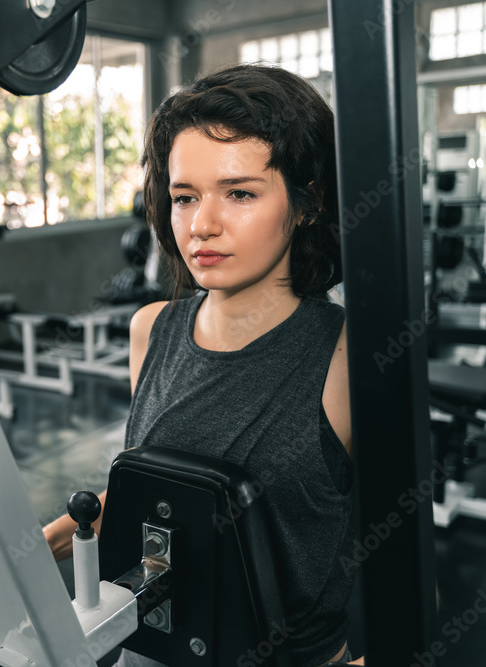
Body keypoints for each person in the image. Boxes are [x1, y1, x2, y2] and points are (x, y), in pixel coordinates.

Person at [43, 63, 364, 666]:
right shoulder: (151, 330)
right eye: (184, 197)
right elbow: (160, 494)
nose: (201, 225)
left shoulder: (346, 355)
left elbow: (405, 561)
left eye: (239, 193)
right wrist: (38, 548)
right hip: (147, 646)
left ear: (306, 203)